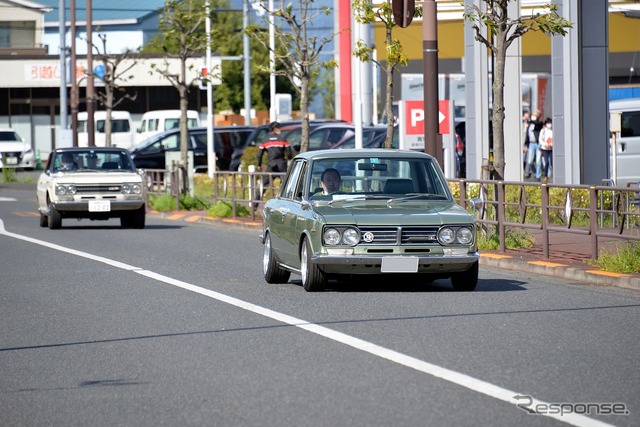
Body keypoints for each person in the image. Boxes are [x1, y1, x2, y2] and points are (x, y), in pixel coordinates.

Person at [255, 121, 292, 209]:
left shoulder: (265, 140)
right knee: (284, 185)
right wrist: (289, 158)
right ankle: (283, 206)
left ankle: (254, 206)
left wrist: (259, 165)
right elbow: (289, 153)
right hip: (282, 164)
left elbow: (259, 154)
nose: (280, 130)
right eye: (278, 128)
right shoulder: (283, 139)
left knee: (263, 185)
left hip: (271, 165)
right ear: (275, 129)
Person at [524, 110, 543, 178]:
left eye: (535, 115)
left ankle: (538, 176)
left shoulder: (539, 123)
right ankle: (535, 172)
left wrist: (530, 121)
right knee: (530, 162)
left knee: (538, 161)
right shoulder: (529, 125)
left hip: (537, 144)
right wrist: (526, 145)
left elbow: (537, 123)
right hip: (531, 144)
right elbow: (527, 135)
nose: (533, 116)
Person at [538, 117, 553, 183]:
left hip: (551, 149)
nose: (549, 125)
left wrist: (551, 144)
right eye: (548, 123)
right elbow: (540, 140)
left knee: (552, 162)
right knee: (546, 162)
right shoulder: (543, 131)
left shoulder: (552, 131)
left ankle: (553, 174)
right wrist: (545, 144)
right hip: (545, 148)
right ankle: (546, 176)